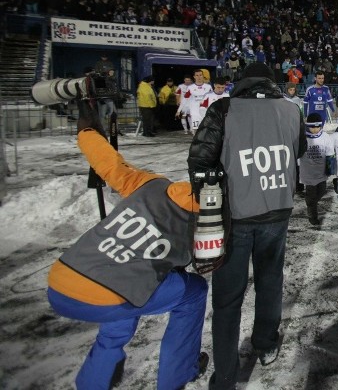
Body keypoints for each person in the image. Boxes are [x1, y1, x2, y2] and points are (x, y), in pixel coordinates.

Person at [48, 101, 208, 390]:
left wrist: (86, 130)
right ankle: (179, 375)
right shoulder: (207, 214)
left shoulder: (148, 183)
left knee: (133, 287)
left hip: (62, 283)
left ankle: (94, 382)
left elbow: (107, 161)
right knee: (193, 292)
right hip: (110, 295)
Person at [187, 62, 305, 390]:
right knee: (270, 283)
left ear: (242, 81)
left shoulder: (224, 108)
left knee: (228, 297)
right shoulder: (291, 109)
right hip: (278, 210)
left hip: (236, 214)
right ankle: (266, 344)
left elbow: (199, 160)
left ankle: (225, 375)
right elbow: (300, 149)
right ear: (271, 82)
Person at [300, 112, 336, 225]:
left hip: (321, 172)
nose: (315, 129)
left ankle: (311, 203)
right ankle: (312, 216)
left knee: (321, 191)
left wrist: (330, 168)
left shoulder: (325, 136)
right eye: (312, 127)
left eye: (317, 126)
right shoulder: (303, 137)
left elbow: (330, 152)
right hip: (308, 172)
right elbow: (297, 152)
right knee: (311, 197)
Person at [180, 69, 213, 135]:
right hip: (194, 109)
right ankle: (192, 134)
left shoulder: (208, 87)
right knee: (195, 128)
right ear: (194, 77)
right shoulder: (190, 87)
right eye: (197, 75)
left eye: (200, 75)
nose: (199, 77)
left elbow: (212, 97)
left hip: (205, 110)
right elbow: (185, 98)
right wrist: (182, 108)